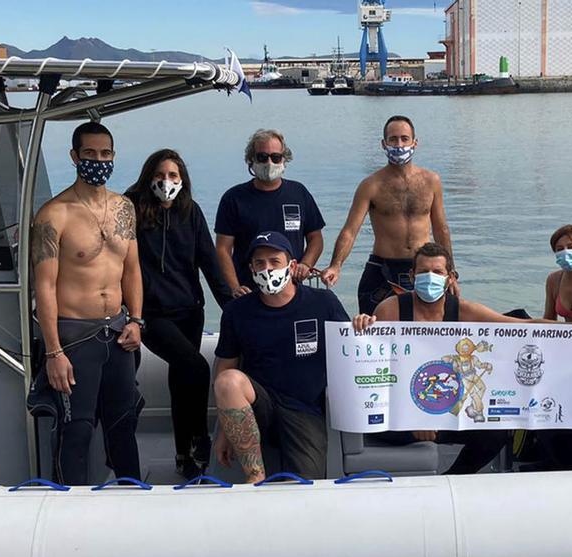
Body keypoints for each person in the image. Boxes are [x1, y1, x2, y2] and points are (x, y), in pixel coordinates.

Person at [352, 243, 572, 474]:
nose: (429, 278)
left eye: (437, 272)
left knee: (498, 430)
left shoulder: (465, 310)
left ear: (450, 278)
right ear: (411, 275)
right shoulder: (390, 309)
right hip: (403, 414)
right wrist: (362, 325)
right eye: (423, 272)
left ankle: (454, 479)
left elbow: (525, 325)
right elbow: (378, 372)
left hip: (448, 410)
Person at [29, 121, 143, 485]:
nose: (99, 160)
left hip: (119, 332)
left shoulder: (124, 208)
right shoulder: (53, 215)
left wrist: (137, 320)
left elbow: (132, 269)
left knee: (123, 424)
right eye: (90, 154)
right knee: (75, 430)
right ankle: (66, 507)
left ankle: (132, 495)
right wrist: (53, 352)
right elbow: (44, 287)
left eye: (105, 154)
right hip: (75, 336)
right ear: (74, 157)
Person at [125, 149, 231, 479]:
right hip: (152, 315)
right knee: (196, 367)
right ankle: (199, 438)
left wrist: (234, 307)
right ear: (148, 177)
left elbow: (210, 264)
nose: (166, 182)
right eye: (160, 175)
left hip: (190, 312)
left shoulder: (191, 211)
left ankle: (184, 456)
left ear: (182, 179)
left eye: (173, 176)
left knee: (181, 379)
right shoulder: (132, 209)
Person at [213, 232, 349, 482]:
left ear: (292, 265)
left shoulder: (322, 303)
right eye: (259, 263)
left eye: (274, 262)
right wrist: (224, 428)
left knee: (306, 484)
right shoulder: (236, 311)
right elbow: (225, 366)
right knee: (228, 381)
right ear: (251, 269)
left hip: (304, 410)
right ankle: (255, 479)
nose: (267, 269)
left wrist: (363, 326)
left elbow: (350, 348)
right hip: (259, 405)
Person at [320, 115, 455, 314]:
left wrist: (451, 272)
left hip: (424, 269)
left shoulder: (431, 181)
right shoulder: (371, 185)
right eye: (393, 139)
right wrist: (335, 265)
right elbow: (350, 231)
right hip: (383, 269)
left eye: (404, 138)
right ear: (384, 144)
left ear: (415, 142)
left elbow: (441, 228)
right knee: (373, 330)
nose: (399, 145)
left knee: (428, 330)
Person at [214, 129, 326, 298]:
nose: (269, 162)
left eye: (275, 157)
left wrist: (306, 264)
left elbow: (315, 238)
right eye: (262, 157)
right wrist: (234, 286)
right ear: (251, 160)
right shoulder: (233, 198)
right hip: (248, 291)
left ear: (284, 159)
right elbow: (223, 249)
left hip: (292, 289)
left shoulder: (299, 193)